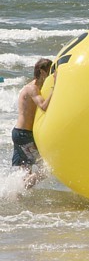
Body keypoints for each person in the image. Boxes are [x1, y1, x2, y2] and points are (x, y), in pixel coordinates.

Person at [12, 58, 55, 189]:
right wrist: (55, 88)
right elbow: (43, 105)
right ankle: (23, 189)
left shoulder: (37, 88)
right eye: (50, 72)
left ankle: (15, 196)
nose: (51, 75)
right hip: (24, 135)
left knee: (25, 171)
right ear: (42, 72)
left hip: (20, 133)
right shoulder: (33, 88)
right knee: (47, 168)